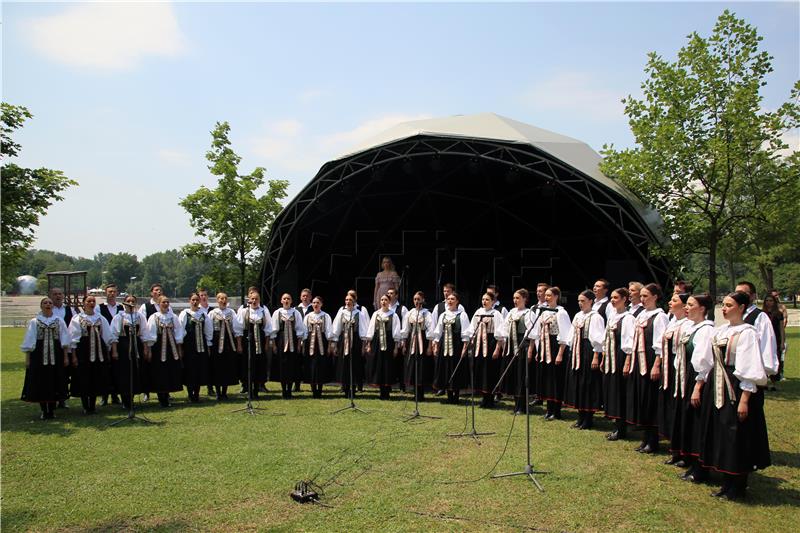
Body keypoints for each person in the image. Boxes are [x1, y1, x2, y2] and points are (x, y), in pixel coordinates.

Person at [695, 291, 771, 500]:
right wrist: (700, 384)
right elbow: (707, 361)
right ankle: (726, 482)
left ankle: (738, 485)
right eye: (723, 305)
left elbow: (750, 367)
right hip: (717, 382)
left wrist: (744, 400)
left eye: (729, 305)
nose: (724, 309)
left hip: (736, 386)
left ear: (742, 307)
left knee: (735, 433)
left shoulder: (747, 332)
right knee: (720, 430)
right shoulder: (720, 331)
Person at [669, 293, 714, 482]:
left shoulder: (706, 330)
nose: (686, 308)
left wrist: (697, 386)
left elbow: (704, 362)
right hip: (685, 376)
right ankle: (689, 459)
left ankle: (700, 467)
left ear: (702, 309)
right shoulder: (691, 327)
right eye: (685, 305)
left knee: (697, 422)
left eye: (690, 305)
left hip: (697, 379)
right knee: (687, 418)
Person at [624, 283, 670, 454]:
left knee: (651, 399)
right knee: (642, 399)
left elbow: (660, 343)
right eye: (641, 296)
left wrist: (656, 365)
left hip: (651, 361)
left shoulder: (660, 316)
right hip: (639, 361)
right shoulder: (641, 315)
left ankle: (653, 439)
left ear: (655, 297)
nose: (642, 299)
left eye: (646, 296)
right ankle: (645, 437)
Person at [20, 297, 71, 419]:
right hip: (39, 355)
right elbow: (30, 340)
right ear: (41, 306)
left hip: (56, 355)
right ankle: (44, 410)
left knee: (54, 381)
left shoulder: (59, 321)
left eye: (50, 303)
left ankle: (52, 410)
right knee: (41, 382)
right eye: (45, 303)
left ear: (53, 306)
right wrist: (28, 359)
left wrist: (65, 357)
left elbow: (64, 339)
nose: (48, 304)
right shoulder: (35, 321)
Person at [528, 286, 572, 421]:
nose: (546, 298)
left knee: (555, 379)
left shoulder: (561, 312)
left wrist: (560, 353)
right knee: (546, 378)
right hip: (544, 347)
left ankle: (556, 410)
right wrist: (538, 350)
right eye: (545, 295)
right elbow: (538, 332)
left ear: (556, 296)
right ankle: (549, 408)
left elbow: (565, 334)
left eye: (549, 295)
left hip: (555, 347)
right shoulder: (543, 312)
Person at [564, 290, 605, 430]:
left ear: (590, 301)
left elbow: (598, 339)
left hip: (588, 351)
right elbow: (571, 335)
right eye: (579, 301)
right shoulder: (577, 316)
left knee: (587, 383)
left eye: (583, 301)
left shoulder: (595, 317)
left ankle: (588, 418)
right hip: (577, 351)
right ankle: (580, 415)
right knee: (578, 383)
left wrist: (595, 356)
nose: (580, 304)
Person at [68, 295, 114, 414]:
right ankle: (85, 406)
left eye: (93, 301)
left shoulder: (100, 318)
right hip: (83, 351)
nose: (91, 303)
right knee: (84, 378)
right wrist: (73, 356)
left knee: (96, 377)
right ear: (84, 304)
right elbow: (73, 338)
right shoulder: (77, 318)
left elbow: (107, 336)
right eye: (88, 301)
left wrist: (108, 352)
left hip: (99, 352)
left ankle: (92, 406)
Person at [659, 292, 690, 458]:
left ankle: (682, 450)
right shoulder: (672, 322)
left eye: (674, 300)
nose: (670, 302)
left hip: (681, 367)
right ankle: (674, 446)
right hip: (669, 365)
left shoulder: (687, 324)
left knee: (679, 405)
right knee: (670, 404)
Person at [109, 295, 153, 410]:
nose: (130, 303)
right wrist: (114, 351)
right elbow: (114, 334)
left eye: (133, 301)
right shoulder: (119, 316)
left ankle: (132, 398)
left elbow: (144, 333)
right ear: (124, 303)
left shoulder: (139, 316)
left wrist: (145, 349)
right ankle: (125, 399)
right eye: (128, 301)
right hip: (123, 347)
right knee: (124, 373)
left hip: (136, 346)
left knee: (135, 371)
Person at [602, 288, 634, 441]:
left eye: (616, 298)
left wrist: (627, 362)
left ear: (624, 299)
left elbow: (629, 342)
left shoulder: (628, 318)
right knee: (612, 390)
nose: (613, 300)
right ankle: (615, 424)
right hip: (610, 357)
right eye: (612, 298)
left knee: (620, 391)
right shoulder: (613, 316)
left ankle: (621, 428)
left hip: (620, 357)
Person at [466, 292, 507, 408]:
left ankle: (490, 399)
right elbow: (472, 328)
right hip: (479, 344)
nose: (484, 302)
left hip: (491, 343)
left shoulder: (496, 314)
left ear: (493, 301)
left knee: (490, 372)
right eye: (483, 299)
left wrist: (497, 349)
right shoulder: (478, 312)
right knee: (480, 370)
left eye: (487, 299)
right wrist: (472, 341)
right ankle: (483, 398)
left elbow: (500, 332)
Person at [735, 281, 779, 385]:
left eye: (743, 293)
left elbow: (766, 345)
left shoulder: (760, 317)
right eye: (736, 293)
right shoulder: (735, 316)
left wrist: (761, 373)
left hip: (751, 374)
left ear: (753, 296)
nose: (738, 297)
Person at [431, 292, 471, 404]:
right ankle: (449, 395)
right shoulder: (443, 315)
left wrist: (464, 348)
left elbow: (465, 332)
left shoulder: (462, 315)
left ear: (457, 301)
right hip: (445, 346)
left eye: (452, 299)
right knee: (445, 368)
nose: (450, 301)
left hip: (456, 345)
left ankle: (456, 395)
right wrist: (435, 345)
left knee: (456, 369)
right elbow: (438, 331)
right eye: (448, 299)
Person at [145, 296, 185, 407]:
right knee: (159, 372)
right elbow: (151, 334)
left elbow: (178, 332)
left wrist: (179, 348)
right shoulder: (154, 317)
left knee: (169, 371)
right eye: (163, 302)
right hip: (158, 347)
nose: (166, 304)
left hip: (171, 348)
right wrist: (149, 350)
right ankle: (161, 397)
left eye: (167, 302)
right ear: (158, 303)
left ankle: (167, 395)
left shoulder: (173, 317)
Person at [330, 292, 370, 398]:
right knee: (344, 364)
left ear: (354, 302)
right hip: (344, 341)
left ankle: (353, 388)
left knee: (355, 364)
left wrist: (363, 345)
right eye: (346, 300)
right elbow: (336, 328)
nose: (348, 302)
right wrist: (334, 343)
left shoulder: (359, 313)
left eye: (350, 300)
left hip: (355, 341)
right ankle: (345, 387)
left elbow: (363, 330)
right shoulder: (342, 313)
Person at [502, 289, 535, 414]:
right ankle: (516, 404)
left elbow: (532, 334)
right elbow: (504, 329)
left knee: (522, 375)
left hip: (523, 345)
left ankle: (523, 406)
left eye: (518, 298)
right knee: (514, 375)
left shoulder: (528, 313)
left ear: (525, 299)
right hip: (511, 347)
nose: (515, 300)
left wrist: (531, 350)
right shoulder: (511, 312)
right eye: (514, 298)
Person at [365, 294, 403, 399]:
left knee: (387, 366)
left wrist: (396, 347)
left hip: (389, 342)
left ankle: (386, 391)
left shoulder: (393, 315)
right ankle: (381, 390)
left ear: (389, 302)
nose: (383, 302)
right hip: (377, 342)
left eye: (385, 300)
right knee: (378, 366)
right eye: (381, 300)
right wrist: (368, 344)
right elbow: (371, 329)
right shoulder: (376, 314)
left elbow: (396, 331)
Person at [399, 291, 435, 402]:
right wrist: (404, 344)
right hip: (412, 341)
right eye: (415, 299)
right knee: (412, 366)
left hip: (422, 341)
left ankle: (421, 393)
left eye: (418, 299)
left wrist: (429, 346)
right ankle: (415, 392)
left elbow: (431, 330)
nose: (416, 301)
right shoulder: (410, 313)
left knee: (421, 367)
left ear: (423, 300)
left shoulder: (426, 313)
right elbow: (405, 330)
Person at [207, 293, 243, 401]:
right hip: (217, 341)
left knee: (227, 366)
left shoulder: (231, 312)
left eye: (225, 298)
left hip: (228, 341)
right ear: (217, 300)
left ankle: (224, 392)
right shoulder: (212, 313)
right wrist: (209, 343)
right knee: (217, 367)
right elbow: (209, 328)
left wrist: (239, 344)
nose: (223, 300)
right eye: (221, 298)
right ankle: (218, 392)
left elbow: (236, 328)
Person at [270, 293, 307, 399]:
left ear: (291, 301)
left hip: (293, 341)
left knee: (292, 365)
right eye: (284, 298)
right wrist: (274, 345)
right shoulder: (277, 313)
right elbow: (274, 329)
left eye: (288, 299)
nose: (286, 300)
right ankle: (283, 390)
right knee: (282, 365)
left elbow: (300, 328)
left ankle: (290, 390)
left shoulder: (296, 313)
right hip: (281, 340)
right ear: (281, 301)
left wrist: (299, 343)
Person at [237, 290, 273, 399]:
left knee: (259, 365)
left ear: (259, 300)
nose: (254, 301)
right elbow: (238, 329)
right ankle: (248, 389)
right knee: (248, 365)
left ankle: (257, 389)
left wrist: (267, 343)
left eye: (256, 299)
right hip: (248, 341)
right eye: (252, 299)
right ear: (249, 300)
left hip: (260, 342)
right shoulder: (244, 311)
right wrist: (239, 344)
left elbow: (268, 328)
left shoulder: (263, 311)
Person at [179, 293, 213, 403]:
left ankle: (197, 394)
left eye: (197, 300)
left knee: (199, 369)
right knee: (190, 370)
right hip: (189, 346)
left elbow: (208, 330)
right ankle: (190, 394)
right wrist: (181, 346)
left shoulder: (203, 314)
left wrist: (208, 344)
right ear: (189, 301)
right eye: (193, 300)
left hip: (201, 346)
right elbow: (180, 330)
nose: (195, 302)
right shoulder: (185, 314)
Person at [50, 287, 75, 408]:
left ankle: (62, 399)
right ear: (50, 295)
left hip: (66, 347)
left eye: (60, 294)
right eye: (55, 294)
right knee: (52, 373)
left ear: (63, 295)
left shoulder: (70, 310)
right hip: (51, 346)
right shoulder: (47, 309)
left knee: (64, 374)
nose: (58, 296)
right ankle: (52, 398)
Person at [303, 296, 333, 398]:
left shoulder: (326, 316)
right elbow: (304, 330)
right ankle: (313, 389)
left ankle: (319, 389)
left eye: (318, 303)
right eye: (314, 302)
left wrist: (329, 346)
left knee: (321, 366)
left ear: (321, 304)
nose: (315, 304)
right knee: (311, 365)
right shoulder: (308, 316)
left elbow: (329, 331)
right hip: (310, 343)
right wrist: (303, 343)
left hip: (322, 343)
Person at [98, 283, 124, 406]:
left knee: (117, 369)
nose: (112, 294)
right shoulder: (99, 308)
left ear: (117, 293)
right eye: (109, 292)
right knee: (105, 370)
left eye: (114, 291)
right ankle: (104, 396)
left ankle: (115, 395)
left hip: (118, 343)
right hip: (103, 342)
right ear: (105, 293)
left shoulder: (122, 308)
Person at [386, 287, 409, 391]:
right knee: (389, 363)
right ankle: (389, 384)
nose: (390, 295)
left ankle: (402, 385)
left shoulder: (402, 309)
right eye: (388, 293)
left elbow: (405, 325)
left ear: (396, 295)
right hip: (387, 340)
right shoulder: (385, 308)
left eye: (392, 293)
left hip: (398, 339)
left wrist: (402, 340)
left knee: (400, 364)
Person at [197, 287, 217, 399]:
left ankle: (211, 387)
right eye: (201, 295)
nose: (203, 297)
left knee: (211, 364)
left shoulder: (213, 310)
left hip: (211, 340)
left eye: (205, 295)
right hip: (199, 340)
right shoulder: (197, 310)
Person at [762, 294, 785, 387]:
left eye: (771, 301)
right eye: (767, 301)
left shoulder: (778, 313)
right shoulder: (762, 314)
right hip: (765, 340)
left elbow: (781, 329)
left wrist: (783, 342)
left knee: (776, 359)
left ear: (774, 302)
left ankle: (774, 382)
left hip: (776, 339)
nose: (768, 303)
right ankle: (764, 382)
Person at [294, 288, 313, 392]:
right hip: (297, 339)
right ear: (301, 297)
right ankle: (296, 385)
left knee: (308, 361)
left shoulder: (313, 308)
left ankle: (311, 383)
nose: (305, 298)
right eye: (303, 296)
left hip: (309, 339)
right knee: (297, 362)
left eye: (307, 296)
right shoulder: (296, 309)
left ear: (310, 297)